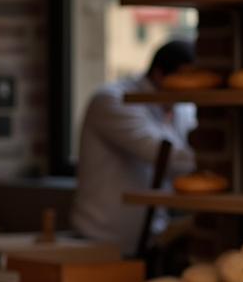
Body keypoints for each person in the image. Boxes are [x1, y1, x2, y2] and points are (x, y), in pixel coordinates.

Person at [70, 40, 197, 253]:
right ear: (159, 74)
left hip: (152, 237)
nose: (191, 88)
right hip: (102, 240)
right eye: (186, 79)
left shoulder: (182, 109)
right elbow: (160, 153)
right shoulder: (112, 100)